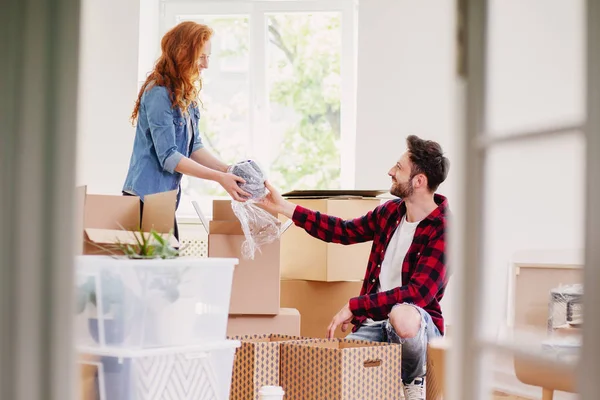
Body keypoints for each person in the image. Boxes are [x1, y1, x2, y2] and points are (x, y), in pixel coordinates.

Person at [260, 135, 450, 400]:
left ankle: (412, 381)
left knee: (403, 315)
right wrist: (283, 207)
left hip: (417, 330)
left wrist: (355, 305)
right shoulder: (390, 213)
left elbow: (417, 294)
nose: (391, 172)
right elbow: (343, 231)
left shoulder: (444, 228)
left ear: (419, 181)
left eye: (399, 168)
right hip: (376, 323)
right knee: (341, 369)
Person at [122, 21, 249, 240]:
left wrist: (227, 170)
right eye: (201, 57)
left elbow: (194, 146)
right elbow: (169, 157)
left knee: (168, 267)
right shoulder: (159, 93)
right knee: (157, 270)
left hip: (164, 199)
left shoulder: (184, 93)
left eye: (208, 57)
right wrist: (219, 178)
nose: (206, 65)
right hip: (144, 200)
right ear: (182, 53)